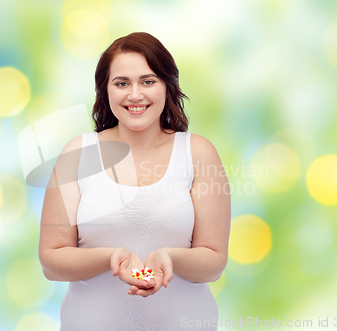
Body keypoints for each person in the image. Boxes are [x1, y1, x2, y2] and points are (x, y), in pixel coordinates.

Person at [39, 32, 231, 331]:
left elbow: (214, 262)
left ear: (168, 86)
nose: (135, 95)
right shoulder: (78, 153)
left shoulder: (198, 153)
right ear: (105, 90)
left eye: (148, 81)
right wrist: (112, 258)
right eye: (121, 83)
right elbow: (51, 262)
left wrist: (170, 257)